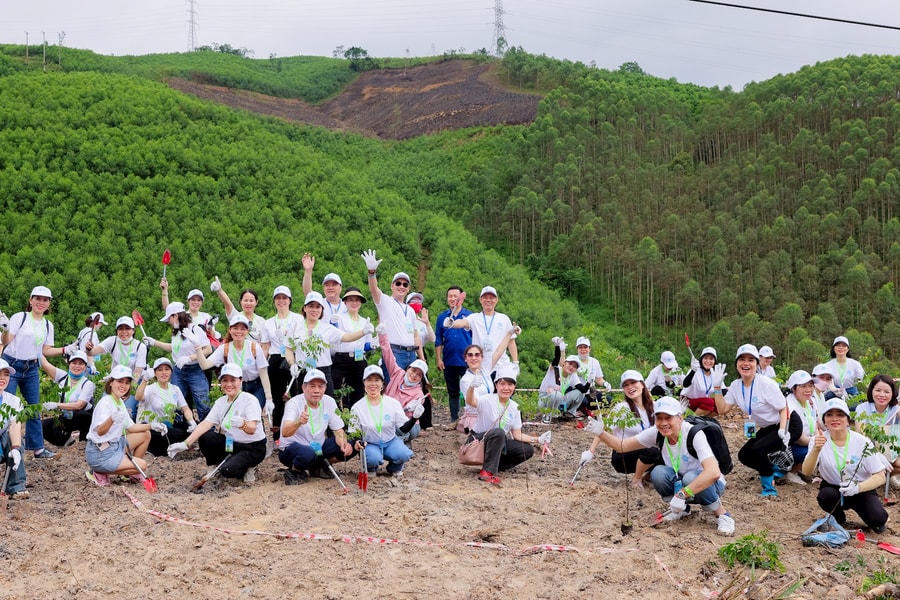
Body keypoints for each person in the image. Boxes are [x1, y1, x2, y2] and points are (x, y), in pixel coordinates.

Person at [585, 397, 735, 536]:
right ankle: (681, 510)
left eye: (668, 418)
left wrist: (682, 494)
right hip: (682, 481)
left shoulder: (694, 434)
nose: (663, 423)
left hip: (709, 484)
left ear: (680, 418)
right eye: (659, 418)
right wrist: (601, 433)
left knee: (690, 477)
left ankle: (723, 515)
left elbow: (713, 472)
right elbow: (622, 446)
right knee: (658, 473)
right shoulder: (657, 433)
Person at [713, 343, 802, 497]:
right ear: (737, 363)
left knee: (758, 449)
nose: (746, 363)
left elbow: (784, 409)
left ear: (757, 364)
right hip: (769, 426)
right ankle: (775, 469)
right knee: (744, 455)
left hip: (788, 423)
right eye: (742, 359)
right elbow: (722, 409)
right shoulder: (736, 386)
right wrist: (716, 387)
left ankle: (769, 488)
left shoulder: (766, 384)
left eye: (751, 360)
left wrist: (783, 430)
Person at [166, 363, 267, 483]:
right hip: (231, 444)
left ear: (241, 381)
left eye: (233, 380)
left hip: (252, 447)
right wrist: (185, 444)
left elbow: (252, 429)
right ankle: (214, 465)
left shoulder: (250, 400)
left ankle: (249, 467)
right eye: (225, 380)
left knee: (228, 471)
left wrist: (242, 424)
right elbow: (205, 424)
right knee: (206, 437)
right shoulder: (220, 402)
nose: (228, 384)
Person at [1, 285, 69, 459]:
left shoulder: (47, 325)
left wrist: (65, 349)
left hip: (31, 367)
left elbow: (46, 350)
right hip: (11, 365)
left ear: (49, 304)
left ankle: (38, 448)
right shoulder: (20, 317)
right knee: (5, 405)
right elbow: (6, 341)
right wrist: (6, 329)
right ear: (30, 300)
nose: (41, 302)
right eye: (38, 298)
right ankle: (6, 446)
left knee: (33, 407)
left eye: (45, 300)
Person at [801, 398, 888, 533]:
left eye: (840, 415)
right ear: (824, 421)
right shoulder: (818, 440)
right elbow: (806, 471)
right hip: (833, 487)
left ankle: (871, 514)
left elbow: (880, 476)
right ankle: (838, 517)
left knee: (878, 519)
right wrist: (816, 449)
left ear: (848, 421)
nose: (834, 418)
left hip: (860, 488)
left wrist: (858, 488)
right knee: (826, 496)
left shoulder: (862, 442)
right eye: (829, 415)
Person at [465, 363, 547, 486]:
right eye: (502, 384)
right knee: (499, 433)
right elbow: (470, 401)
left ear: (514, 387)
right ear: (496, 385)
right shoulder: (487, 399)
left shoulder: (515, 407)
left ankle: (495, 466)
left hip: (499, 442)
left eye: (510, 384)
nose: (506, 388)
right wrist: (471, 387)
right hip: (478, 440)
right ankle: (487, 472)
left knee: (527, 450)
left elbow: (517, 435)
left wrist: (538, 439)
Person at [581, 370, 661, 487]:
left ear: (642, 384)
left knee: (667, 452)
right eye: (626, 385)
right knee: (653, 451)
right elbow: (603, 430)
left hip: (647, 450)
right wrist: (590, 451)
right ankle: (636, 479)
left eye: (633, 382)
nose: (630, 387)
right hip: (624, 454)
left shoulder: (655, 406)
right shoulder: (621, 408)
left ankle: (647, 476)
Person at [285, 291, 373, 397]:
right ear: (305, 308)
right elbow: (288, 348)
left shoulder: (327, 327)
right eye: (311, 306)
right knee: (304, 402)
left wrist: (363, 332)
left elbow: (346, 337)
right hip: (303, 371)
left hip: (323, 370)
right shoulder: (295, 327)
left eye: (318, 307)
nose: (314, 310)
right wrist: (292, 364)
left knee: (327, 402)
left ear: (322, 310)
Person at [279, 369, 355, 485]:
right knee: (307, 453)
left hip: (318, 446)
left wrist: (343, 444)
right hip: (293, 448)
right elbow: (285, 432)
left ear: (325, 388)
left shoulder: (329, 401)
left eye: (320, 386)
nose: (316, 391)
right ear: (304, 388)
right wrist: (299, 422)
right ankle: (295, 471)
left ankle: (318, 467)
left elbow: (338, 430)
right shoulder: (294, 403)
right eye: (312, 386)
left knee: (351, 444)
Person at [143, 302, 213, 420]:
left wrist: (190, 358)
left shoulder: (195, 329)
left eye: (169, 319)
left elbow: (207, 349)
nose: (169, 322)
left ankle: (206, 428)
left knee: (202, 401)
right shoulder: (176, 333)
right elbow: (174, 348)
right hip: (178, 370)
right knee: (176, 401)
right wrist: (154, 342)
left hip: (195, 369)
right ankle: (181, 426)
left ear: (175, 316)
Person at [84, 365, 152, 487]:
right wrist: (112, 419)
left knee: (145, 434)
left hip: (115, 445)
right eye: (120, 381)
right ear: (111, 382)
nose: (123, 385)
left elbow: (131, 427)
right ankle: (99, 472)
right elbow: (100, 431)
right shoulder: (105, 403)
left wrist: (152, 426)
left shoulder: (119, 401)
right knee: (142, 465)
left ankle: (131, 472)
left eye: (127, 383)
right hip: (100, 453)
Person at [196, 313, 273, 416]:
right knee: (237, 417)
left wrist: (269, 398)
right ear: (230, 330)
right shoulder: (225, 348)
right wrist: (198, 347)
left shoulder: (254, 347)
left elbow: (263, 374)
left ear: (247, 331)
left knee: (253, 415)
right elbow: (204, 365)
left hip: (255, 386)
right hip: (235, 388)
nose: (239, 332)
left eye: (242, 329)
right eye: (235, 328)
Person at [350, 365, 416, 483]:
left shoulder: (392, 403)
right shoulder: (357, 407)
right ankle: (371, 467)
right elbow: (354, 432)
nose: (373, 384)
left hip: (390, 441)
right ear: (364, 382)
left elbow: (404, 428)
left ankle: (394, 468)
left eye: (377, 380)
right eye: (369, 380)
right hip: (370, 443)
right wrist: (358, 442)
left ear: (382, 383)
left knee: (403, 454)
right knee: (372, 458)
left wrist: (414, 418)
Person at [361, 249, 419, 377]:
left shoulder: (410, 310)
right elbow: (373, 289)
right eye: (398, 283)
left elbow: (415, 335)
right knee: (393, 385)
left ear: (408, 289)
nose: (401, 286)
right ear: (392, 286)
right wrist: (371, 273)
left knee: (410, 387)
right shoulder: (385, 301)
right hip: (394, 352)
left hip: (411, 353)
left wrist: (421, 358)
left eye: (405, 284)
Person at [260, 285, 303, 440]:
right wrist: (261, 366)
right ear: (274, 301)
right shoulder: (268, 322)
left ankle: (298, 431)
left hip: (294, 358)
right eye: (278, 298)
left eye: (284, 298)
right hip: (276, 359)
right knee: (277, 398)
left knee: (297, 394)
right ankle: (278, 434)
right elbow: (265, 347)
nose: (281, 301)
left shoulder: (298, 319)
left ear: (289, 300)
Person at [443, 286, 519, 374]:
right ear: (480, 300)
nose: (488, 300)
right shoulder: (474, 318)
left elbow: (511, 341)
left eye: (491, 298)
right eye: (485, 298)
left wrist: (515, 362)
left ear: (496, 300)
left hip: (501, 367)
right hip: (480, 368)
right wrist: (452, 323)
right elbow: (462, 323)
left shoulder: (504, 318)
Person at [87, 315, 149, 419]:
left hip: (132, 382)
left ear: (133, 330)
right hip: (115, 380)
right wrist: (89, 349)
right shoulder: (113, 341)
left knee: (128, 412)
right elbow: (93, 352)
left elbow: (137, 372)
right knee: (104, 409)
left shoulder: (140, 347)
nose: (124, 332)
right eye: (121, 329)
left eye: (127, 328)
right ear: (117, 331)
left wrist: (127, 390)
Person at [378, 324, 430, 445]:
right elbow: (388, 354)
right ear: (408, 368)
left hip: (404, 423)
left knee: (408, 429)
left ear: (421, 378)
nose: (414, 375)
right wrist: (382, 335)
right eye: (413, 370)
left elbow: (406, 419)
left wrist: (410, 410)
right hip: (386, 416)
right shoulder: (397, 373)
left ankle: (400, 442)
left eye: (419, 374)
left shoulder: (419, 394)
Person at [135, 357, 197, 457]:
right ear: (155, 373)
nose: (164, 372)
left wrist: (191, 421)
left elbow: (185, 408)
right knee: (177, 433)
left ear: (171, 372)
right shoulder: (150, 388)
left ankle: (170, 446)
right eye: (160, 370)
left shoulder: (175, 389)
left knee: (190, 428)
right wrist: (144, 380)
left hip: (168, 425)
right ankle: (156, 448)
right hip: (154, 428)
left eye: (167, 369)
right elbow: (138, 397)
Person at [434, 286, 472, 430]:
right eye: (450, 296)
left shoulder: (469, 316)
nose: (453, 299)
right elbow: (438, 339)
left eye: (455, 296)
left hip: (467, 361)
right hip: (449, 359)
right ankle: (454, 419)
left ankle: (470, 419)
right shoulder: (442, 317)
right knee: (453, 391)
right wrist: (438, 358)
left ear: (461, 298)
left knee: (469, 390)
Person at [39, 350, 95, 447]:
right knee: (42, 425)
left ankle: (85, 440)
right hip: (66, 416)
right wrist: (37, 349)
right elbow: (45, 363)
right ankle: (65, 440)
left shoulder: (88, 384)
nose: (77, 366)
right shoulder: (63, 377)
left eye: (81, 363)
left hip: (83, 418)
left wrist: (56, 405)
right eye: (74, 363)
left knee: (83, 415)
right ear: (69, 364)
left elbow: (79, 405)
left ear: (85, 367)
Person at [331, 287, 373, 408]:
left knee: (358, 391)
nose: (354, 303)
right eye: (350, 300)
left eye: (357, 300)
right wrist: (333, 323)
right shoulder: (339, 318)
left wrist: (373, 344)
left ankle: (355, 416)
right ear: (345, 302)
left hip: (359, 359)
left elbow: (366, 345)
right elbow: (334, 334)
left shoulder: (365, 321)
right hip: (342, 358)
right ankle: (339, 417)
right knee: (338, 391)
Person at [538, 338, 590, 423]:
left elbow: (583, 389)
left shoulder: (573, 376)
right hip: (545, 400)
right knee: (556, 394)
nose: (571, 367)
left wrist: (589, 381)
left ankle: (569, 412)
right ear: (564, 363)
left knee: (580, 392)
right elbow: (556, 359)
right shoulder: (555, 369)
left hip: (559, 400)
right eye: (570, 364)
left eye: (574, 366)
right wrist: (557, 346)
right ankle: (548, 415)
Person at [784, 370, 818, 485]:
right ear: (793, 388)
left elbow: (815, 424)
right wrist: (817, 442)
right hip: (792, 445)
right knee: (817, 450)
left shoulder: (809, 402)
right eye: (803, 386)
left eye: (811, 385)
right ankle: (791, 472)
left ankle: (802, 469)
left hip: (808, 440)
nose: (808, 390)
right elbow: (799, 439)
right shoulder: (790, 405)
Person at [0, 358, 27, 499]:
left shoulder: (13, 401)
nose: (2, 378)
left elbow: (15, 425)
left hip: (2, 442)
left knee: (14, 439)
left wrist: (16, 448)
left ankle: (15, 486)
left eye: (6, 374)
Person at [210, 278, 267, 345]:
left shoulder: (262, 321)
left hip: (254, 350)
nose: (248, 303)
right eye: (245, 300)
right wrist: (219, 290)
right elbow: (227, 303)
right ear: (240, 302)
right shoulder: (236, 316)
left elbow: (264, 343)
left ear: (256, 302)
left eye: (251, 301)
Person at [302, 253, 347, 325]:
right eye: (327, 285)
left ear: (340, 287)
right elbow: (307, 292)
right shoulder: (320, 303)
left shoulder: (347, 306)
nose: (330, 288)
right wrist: (308, 270)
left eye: (334, 285)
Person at [573, 336, 610, 410]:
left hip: (591, 392)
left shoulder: (594, 361)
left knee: (609, 400)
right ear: (577, 349)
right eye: (580, 347)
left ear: (589, 349)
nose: (583, 349)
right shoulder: (573, 359)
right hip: (577, 391)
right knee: (583, 402)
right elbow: (562, 366)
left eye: (585, 347)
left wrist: (605, 383)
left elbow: (598, 379)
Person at [680, 347, 719, 416]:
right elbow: (685, 384)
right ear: (701, 360)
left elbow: (723, 390)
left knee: (719, 404)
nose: (708, 361)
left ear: (714, 361)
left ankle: (702, 420)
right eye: (705, 358)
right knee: (709, 402)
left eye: (711, 359)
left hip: (702, 402)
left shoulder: (715, 374)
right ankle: (691, 420)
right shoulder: (695, 370)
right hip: (688, 401)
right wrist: (693, 371)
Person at [406, 291, 434, 362]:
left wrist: (427, 323)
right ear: (407, 304)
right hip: (407, 354)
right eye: (413, 301)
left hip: (421, 354)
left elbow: (432, 339)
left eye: (419, 302)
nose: (416, 303)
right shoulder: (404, 320)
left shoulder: (422, 322)